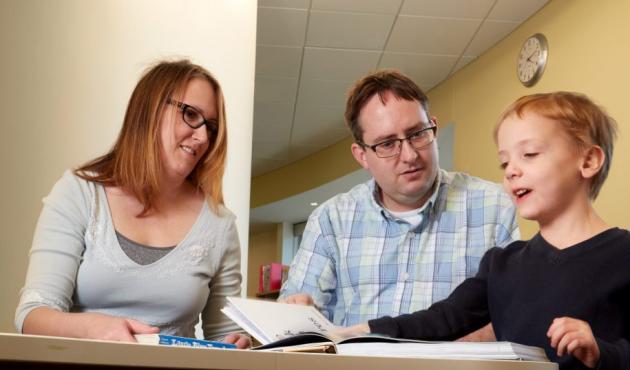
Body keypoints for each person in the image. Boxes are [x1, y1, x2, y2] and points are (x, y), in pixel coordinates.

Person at [338, 91, 629, 369]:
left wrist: (603, 353)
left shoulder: (623, 254)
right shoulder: (501, 264)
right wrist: (367, 330)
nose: (511, 170)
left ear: (588, 160)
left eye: (529, 154)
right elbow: (443, 318)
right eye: (505, 162)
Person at [15, 59, 250, 348]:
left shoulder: (219, 224)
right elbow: (32, 316)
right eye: (190, 114)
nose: (202, 137)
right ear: (149, 109)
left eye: (211, 127)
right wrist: (93, 328)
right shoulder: (80, 193)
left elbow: (224, 338)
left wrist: (241, 343)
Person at [279, 70, 520, 340]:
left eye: (418, 134)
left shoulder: (494, 206)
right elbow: (293, 322)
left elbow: (516, 314)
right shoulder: (330, 220)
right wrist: (299, 316)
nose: (409, 155)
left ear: (434, 128)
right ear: (362, 156)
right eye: (387, 144)